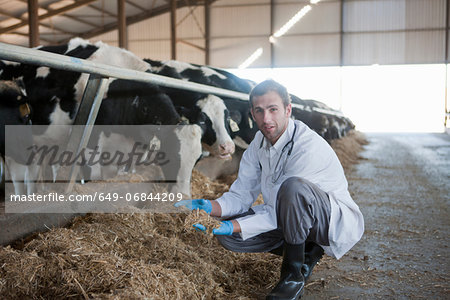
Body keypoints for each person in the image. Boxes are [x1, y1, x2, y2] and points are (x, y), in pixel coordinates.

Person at [175, 79, 364, 300]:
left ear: (288, 110)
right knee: (229, 238)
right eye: (259, 111)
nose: (266, 119)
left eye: (273, 109)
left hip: (327, 220)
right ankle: (307, 252)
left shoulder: (307, 147)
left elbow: (281, 209)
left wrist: (233, 224)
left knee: (293, 188)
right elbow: (242, 192)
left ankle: (292, 277)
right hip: (287, 216)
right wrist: (211, 207)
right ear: (252, 115)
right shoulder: (258, 142)